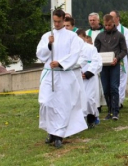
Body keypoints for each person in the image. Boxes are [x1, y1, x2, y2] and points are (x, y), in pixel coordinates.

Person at [36, 9, 87, 149]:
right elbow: (40, 54)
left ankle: (59, 135)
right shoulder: (47, 35)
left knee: (62, 104)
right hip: (49, 74)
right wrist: (48, 45)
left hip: (64, 74)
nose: (56, 24)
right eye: (54, 21)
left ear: (64, 20)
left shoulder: (72, 37)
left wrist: (60, 62)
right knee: (46, 102)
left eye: (59, 21)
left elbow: (75, 54)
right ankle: (51, 131)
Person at [94, 14, 127, 120]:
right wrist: (99, 59)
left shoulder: (120, 35)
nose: (107, 27)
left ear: (113, 23)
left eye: (109, 25)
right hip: (103, 66)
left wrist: (117, 58)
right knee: (106, 89)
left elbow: (124, 50)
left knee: (114, 87)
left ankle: (115, 111)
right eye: (106, 25)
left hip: (114, 65)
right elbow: (95, 51)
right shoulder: (100, 36)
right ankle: (109, 111)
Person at [76, 28, 101, 128]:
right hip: (78, 78)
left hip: (89, 78)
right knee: (79, 99)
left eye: (80, 38)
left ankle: (91, 118)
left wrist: (87, 73)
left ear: (85, 37)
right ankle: (81, 121)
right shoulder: (73, 49)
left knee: (89, 99)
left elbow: (97, 62)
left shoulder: (91, 48)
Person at [109, 10, 128, 109]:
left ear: (118, 18)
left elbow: (126, 45)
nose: (111, 19)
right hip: (109, 58)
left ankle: (119, 101)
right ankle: (111, 100)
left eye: (112, 17)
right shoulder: (107, 29)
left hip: (121, 58)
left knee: (122, 80)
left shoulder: (125, 31)